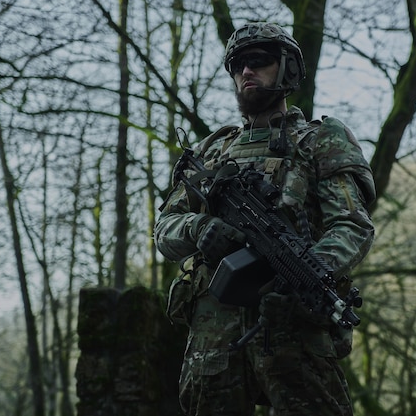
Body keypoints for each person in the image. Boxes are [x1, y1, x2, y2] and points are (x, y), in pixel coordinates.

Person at [155, 22, 375, 416]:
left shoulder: (320, 140)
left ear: (287, 68)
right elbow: (165, 229)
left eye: (259, 61)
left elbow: (352, 225)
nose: (246, 72)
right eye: (238, 65)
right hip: (213, 342)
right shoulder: (211, 152)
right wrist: (199, 227)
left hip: (294, 333)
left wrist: (310, 272)